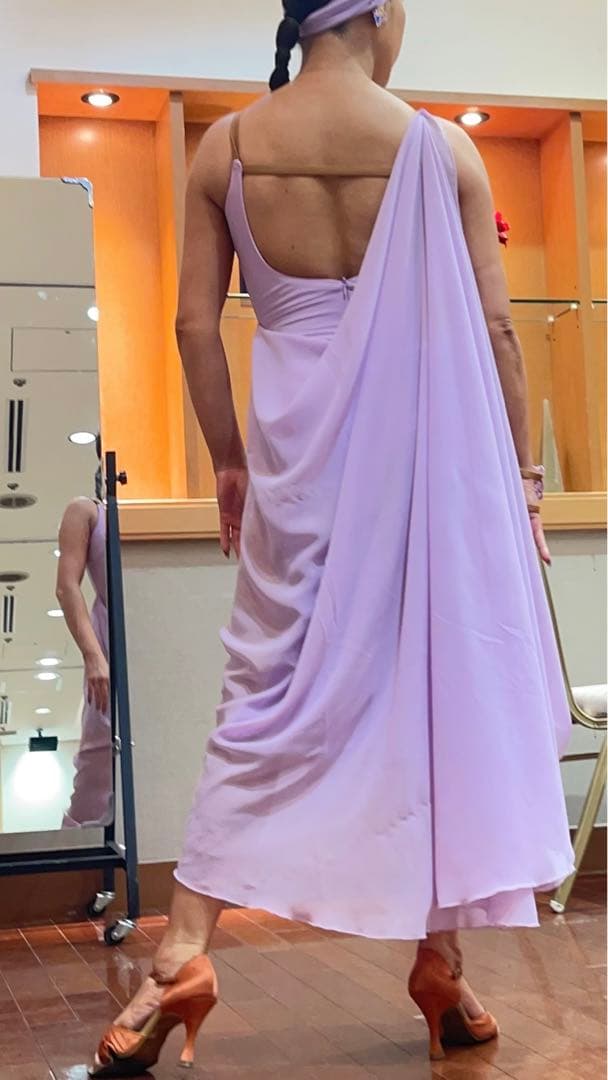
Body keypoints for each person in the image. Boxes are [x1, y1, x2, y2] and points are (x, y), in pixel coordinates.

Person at [91, 0, 574, 1073]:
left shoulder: (227, 145)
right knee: (433, 698)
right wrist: (524, 487)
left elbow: (192, 324)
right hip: (427, 470)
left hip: (296, 472)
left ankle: (182, 954)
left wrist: (228, 461)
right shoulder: (439, 148)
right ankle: (438, 961)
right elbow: (497, 330)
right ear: (379, 14)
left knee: (260, 697)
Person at [57, 494, 112, 828]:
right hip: (108, 646)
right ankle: (81, 846)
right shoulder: (87, 510)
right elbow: (67, 587)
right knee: (99, 755)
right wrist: (93, 656)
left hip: (153, 646)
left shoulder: (156, 512)